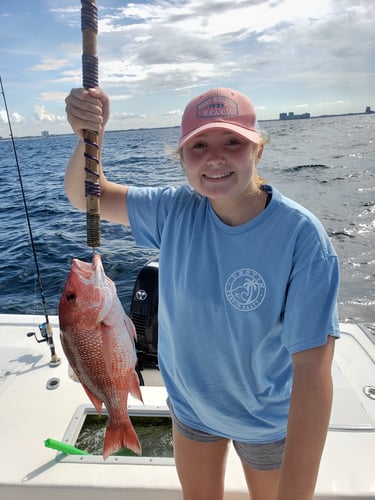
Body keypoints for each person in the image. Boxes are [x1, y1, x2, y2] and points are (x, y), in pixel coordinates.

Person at [65, 86, 340, 500]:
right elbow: (85, 195)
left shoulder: (302, 238)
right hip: (192, 410)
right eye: (199, 145)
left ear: (258, 151)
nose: (215, 157)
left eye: (233, 141)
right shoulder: (174, 210)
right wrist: (89, 134)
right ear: (182, 157)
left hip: (267, 422)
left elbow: (312, 378)